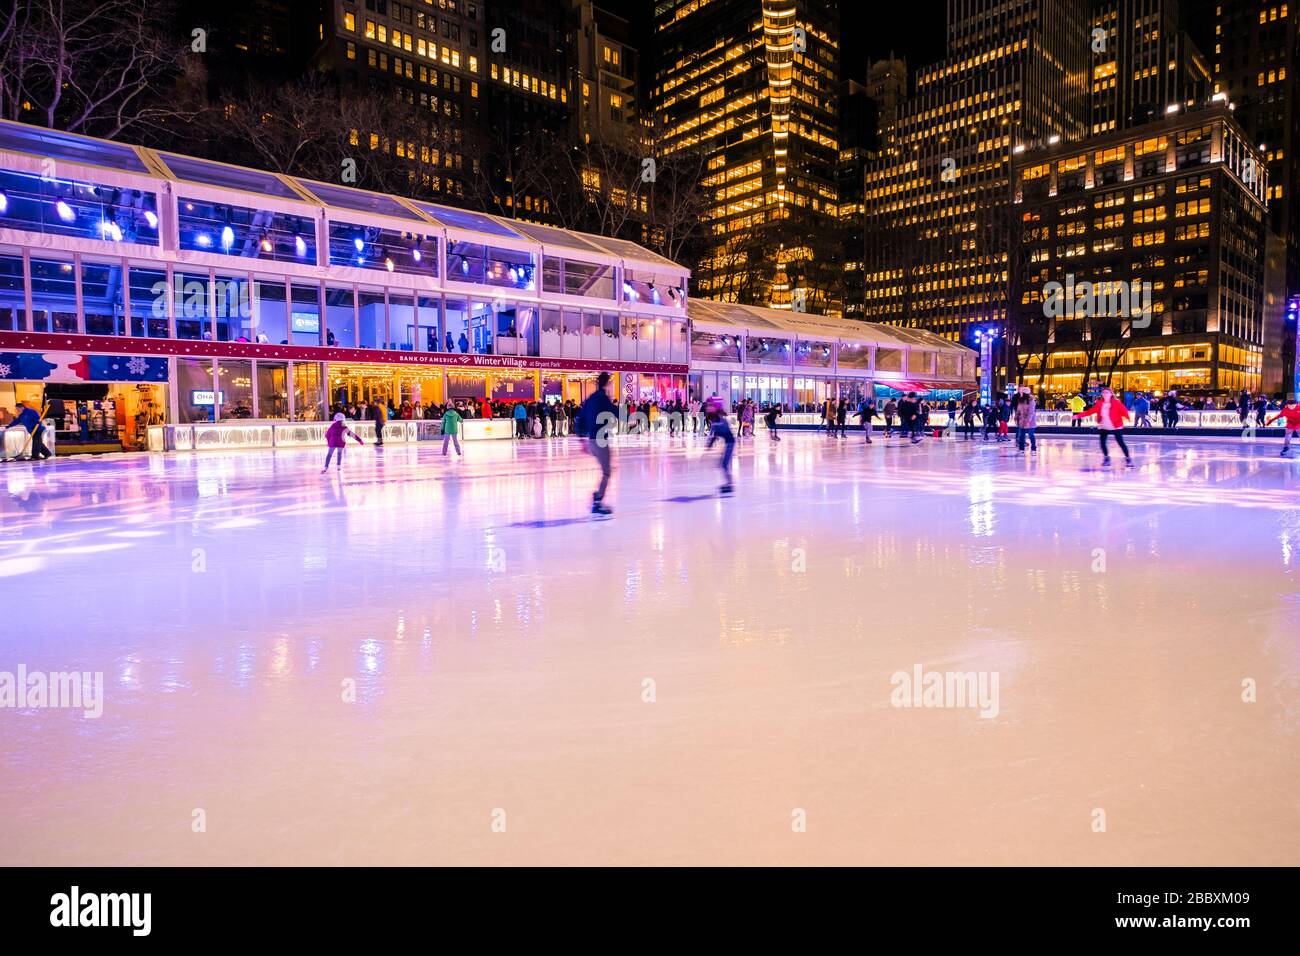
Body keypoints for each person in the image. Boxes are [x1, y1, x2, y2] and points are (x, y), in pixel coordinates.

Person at [576, 372, 618, 515]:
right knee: (607, 472)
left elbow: (580, 419)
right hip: (600, 440)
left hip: (592, 441)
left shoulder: (591, 398)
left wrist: (582, 440)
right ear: (607, 384)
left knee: (605, 470)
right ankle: (597, 502)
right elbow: (614, 412)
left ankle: (597, 497)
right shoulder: (603, 398)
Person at [1073, 387, 1133, 466]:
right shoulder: (1099, 403)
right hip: (1104, 425)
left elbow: (1124, 410)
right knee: (1102, 443)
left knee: (1120, 443)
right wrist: (1078, 416)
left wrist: (1128, 417)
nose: (1105, 394)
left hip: (1115, 425)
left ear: (1111, 394)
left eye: (1107, 392)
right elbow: (1090, 411)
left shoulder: (1116, 402)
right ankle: (1106, 458)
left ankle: (1128, 459)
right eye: (1103, 392)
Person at [704, 394, 736, 494]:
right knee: (722, 464)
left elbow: (718, 431)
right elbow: (714, 432)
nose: (708, 407)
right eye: (708, 405)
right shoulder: (714, 417)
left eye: (710, 405)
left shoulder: (719, 418)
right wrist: (710, 443)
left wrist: (710, 443)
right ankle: (729, 484)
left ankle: (730, 485)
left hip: (730, 442)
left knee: (723, 465)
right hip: (728, 442)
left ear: (716, 407)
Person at [1014, 386, 1038, 454]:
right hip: (1022, 421)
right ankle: (1021, 449)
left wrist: (1028, 421)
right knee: (1021, 435)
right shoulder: (1020, 400)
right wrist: (1016, 417)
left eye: (1022, 392)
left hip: (1030, 422)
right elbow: (1018, 409)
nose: (1021, 393)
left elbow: (1031, 412)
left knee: (1031, 435)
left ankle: (1033, 449)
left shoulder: (1031, 401)